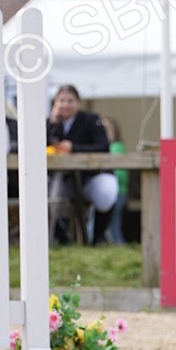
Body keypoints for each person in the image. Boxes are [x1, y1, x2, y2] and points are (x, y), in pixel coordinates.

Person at [47, 85, 119, 244]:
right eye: (61, 101)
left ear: (78, 103)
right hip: (59, 179)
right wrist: (53, 123)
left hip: (90, 176)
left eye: (70, 101)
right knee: (43, 195)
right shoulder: (50, 123)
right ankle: (63, 238)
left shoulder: (91, 120)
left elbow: (103, 147)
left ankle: (96, 239)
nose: (65, 105)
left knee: (106, 194)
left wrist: (73, 147)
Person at [101, 116, 129, 245]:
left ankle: (119, 246)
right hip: (115, 192)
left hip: (117, 192)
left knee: (111, 226)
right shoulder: (111, 147)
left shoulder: (116, 147)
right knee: (111, 225)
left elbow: (121, 173)